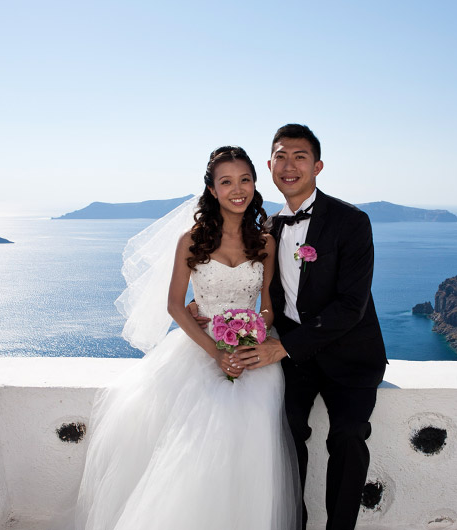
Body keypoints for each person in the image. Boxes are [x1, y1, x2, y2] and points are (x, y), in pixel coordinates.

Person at [75, 146, 300, 530]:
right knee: (195, 450)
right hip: (200, 349)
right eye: (226, 182)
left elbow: (267, 305)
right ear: (212, 191)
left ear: (254, 184)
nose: (237, 189)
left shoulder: (265, 242)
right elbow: (176, 306)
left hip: (250, 353)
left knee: (251, 448)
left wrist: (252, 335)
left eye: (244, 179)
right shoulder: (191, 241)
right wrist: (216, 352)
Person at [232, 124, 388, 530]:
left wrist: (282, 348)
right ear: (269, 165)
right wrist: (206, 308)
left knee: (349, 437)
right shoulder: (265, 228)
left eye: (300, 157)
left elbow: (352, 306)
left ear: (317, 166)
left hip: (351, 356)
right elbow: (250, 288)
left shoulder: (352, 221)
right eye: (281, 157)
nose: (289, 166)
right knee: (284, 439)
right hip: (297, 362)